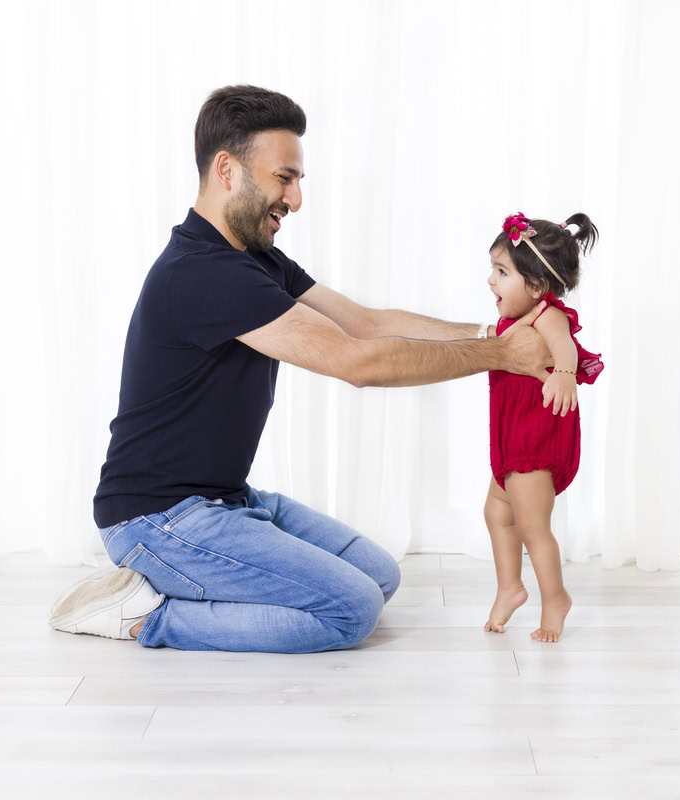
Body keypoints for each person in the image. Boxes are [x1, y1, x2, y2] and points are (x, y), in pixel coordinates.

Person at [48, 85, 553, 653]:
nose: (295, 198)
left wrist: (498, 332)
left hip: (227, 501)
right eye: (284, 177)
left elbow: (363, 323)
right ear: (227, 170)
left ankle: (195, 581)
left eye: (298, 181)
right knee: (350, 610)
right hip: (157, 519)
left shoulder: (251, 257)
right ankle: (142, 615)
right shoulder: (204, 273)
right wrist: (503, 358)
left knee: (379, 576)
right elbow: (357, 362)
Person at [480, 212, 604, 643]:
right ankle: (511, 587)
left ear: (536, 286)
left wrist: (565, 373)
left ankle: (556, 599)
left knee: (533, 529)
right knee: (497, 512)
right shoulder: (515, 319)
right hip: (512, 439)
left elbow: (564, 346)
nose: (490, 281)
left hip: (535, 442)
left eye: (501, 272)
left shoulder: (547, 315)